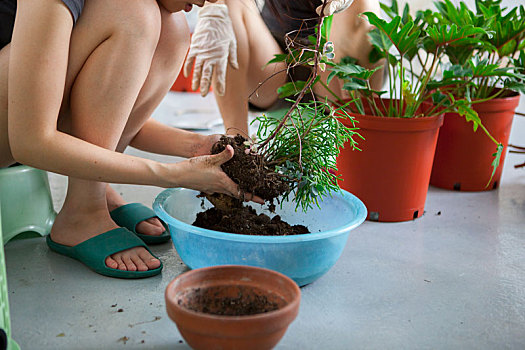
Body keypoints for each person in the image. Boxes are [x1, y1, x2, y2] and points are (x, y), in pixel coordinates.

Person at [0, 0, 261, 278]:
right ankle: (83, 212)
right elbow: (31, 141)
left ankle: (93, 193)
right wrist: (173, 174)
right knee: (133, 13)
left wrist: (195, 146)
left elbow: (104, 104)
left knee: (171, 30)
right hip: (20, 132)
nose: (206, 2)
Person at [185, 0, 384, 135]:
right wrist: (214, 9)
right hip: (273, 64)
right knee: (226, 4)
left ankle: (358, 140)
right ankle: (237, 145)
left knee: (365, 7)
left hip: (331, 60)